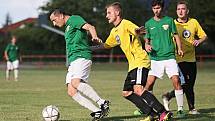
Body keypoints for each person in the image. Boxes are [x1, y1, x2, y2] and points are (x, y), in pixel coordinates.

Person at [92, 2, 173, 121]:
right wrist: (89, 49)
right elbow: (106, 45)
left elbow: (136, 30)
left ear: (117, 12)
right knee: (126, 92)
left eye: (109, 13)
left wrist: (139, 31)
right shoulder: (114, 31)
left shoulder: (125, 24)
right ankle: (152, 114)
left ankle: (163, 112)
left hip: (140, 61)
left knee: (139, 90)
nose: (107, 16)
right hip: (133, 65)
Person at [49, 9, 110, 120]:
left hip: (81, 56)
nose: (54, 23)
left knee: (75, 83)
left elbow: (90, 27)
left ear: (61, 15)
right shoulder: (68, 27)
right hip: (74, 60)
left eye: (54, 20)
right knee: (71, 91)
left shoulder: (73, 19)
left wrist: (94, 36)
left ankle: (102, 102)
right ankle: (97, 111)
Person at [161, 0, 207, 115]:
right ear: (176, 11)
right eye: (178, 9)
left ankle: (168, 96)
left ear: (187, 11)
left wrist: (198, 40)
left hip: (191, 58)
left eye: (183, 9)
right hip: (177, 59)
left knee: (189, 84)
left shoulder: (193, 22)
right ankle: (191, 109)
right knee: (185, 83)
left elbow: (204, 36)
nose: (181, 11)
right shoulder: (172, 23)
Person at [143, 0, 185, 118]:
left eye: (158, 8)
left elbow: (176, 36)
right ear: (152, 9)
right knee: (149, 84)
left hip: (169, 56)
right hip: (155, 58)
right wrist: (146, 45)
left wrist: (179, 49)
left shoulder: (169, 20)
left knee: (176, 80)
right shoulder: (148, 23)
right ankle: (147, 108)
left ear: (162, 8)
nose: (156, 10)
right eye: (154, 8)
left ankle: (181, 109)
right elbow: (147, 39)